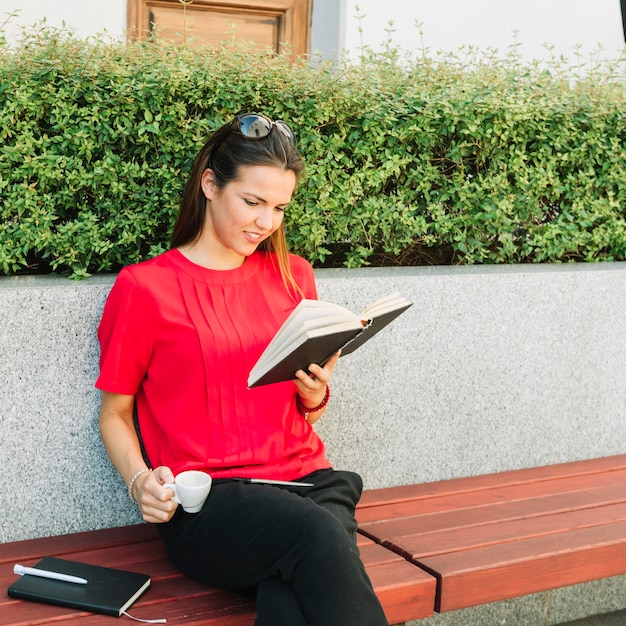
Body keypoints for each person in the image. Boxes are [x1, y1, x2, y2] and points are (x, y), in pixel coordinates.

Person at [96, 113, 389, 626]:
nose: (265, 222)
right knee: (315, 537)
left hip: (310, 482)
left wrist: (315, 395)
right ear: (210, 183)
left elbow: (306, 416)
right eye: (252, 202)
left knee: (291, 592)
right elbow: (115, 413)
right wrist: (140, 480)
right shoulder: (146, 289)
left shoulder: (292, 275)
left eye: (279, 208)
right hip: (211, 499)